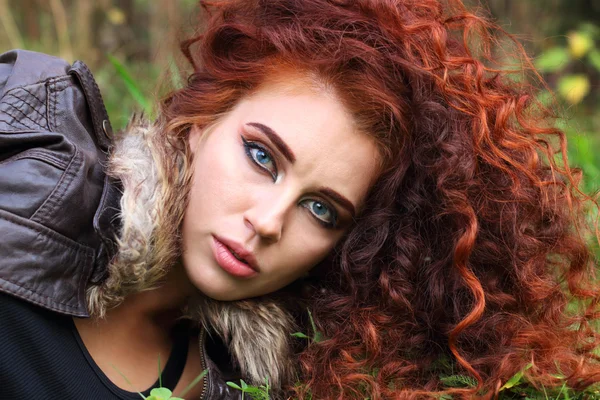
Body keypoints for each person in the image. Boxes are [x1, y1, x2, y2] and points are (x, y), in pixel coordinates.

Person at [1, 0, 599, 399]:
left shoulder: (257, 383)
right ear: (200, 122)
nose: (265, 223)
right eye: (262, 157)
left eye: (321, 210)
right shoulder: (22, 178)